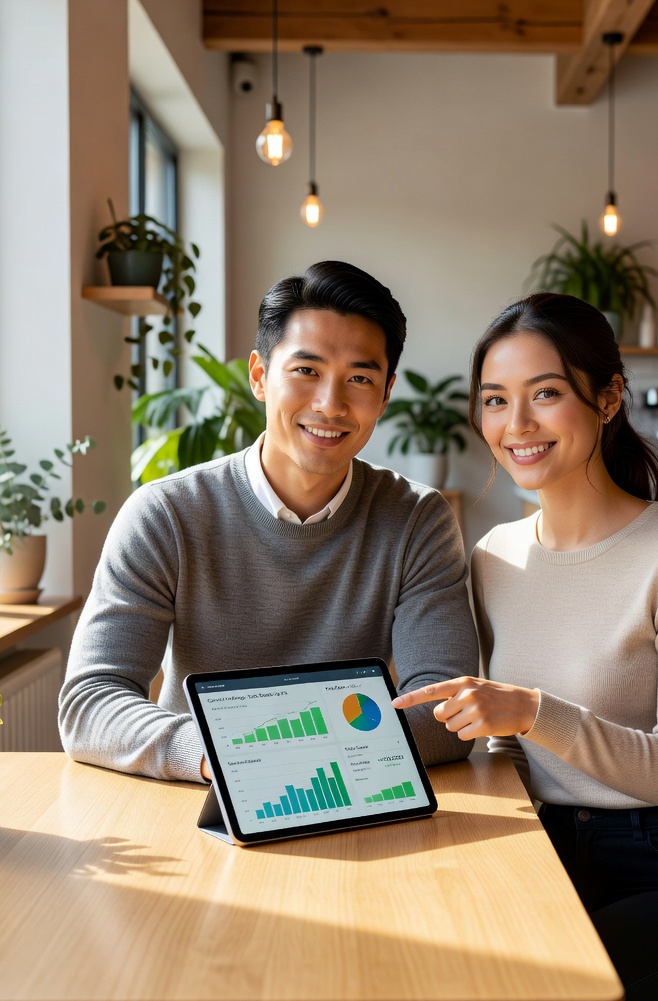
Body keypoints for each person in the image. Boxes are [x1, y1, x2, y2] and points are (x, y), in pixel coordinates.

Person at [393, 293, 658, 1001]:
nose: (516, 425)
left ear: (608, 397)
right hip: (546, 859)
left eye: (547, 394)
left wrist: (534, 712)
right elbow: (506, 751)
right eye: (495, 400)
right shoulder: (492, 557)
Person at [60, 260, 478, 781]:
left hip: (350, 801)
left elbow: (448, 711)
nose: (331, 404)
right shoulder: (165, 514)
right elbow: (90, 703)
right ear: (260, 376)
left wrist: (274, 753)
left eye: (360, 378)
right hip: (201, 795)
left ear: (386, 394)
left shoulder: (416, 520)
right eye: (306, 371)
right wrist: (220, 755)